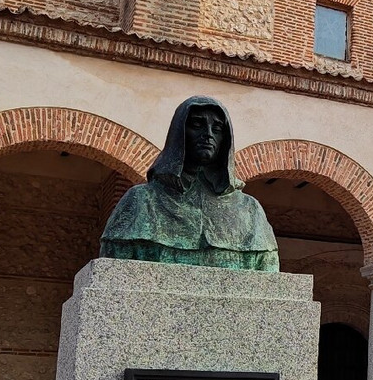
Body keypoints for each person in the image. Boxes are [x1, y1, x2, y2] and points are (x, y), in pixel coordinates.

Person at [100, 96, 279, 271]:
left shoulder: (249, 210)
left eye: (217, 128)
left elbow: (269, 278)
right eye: (197, 125)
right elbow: (112, 271)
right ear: (178, 134)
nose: (208, 134)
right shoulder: (141, 200)